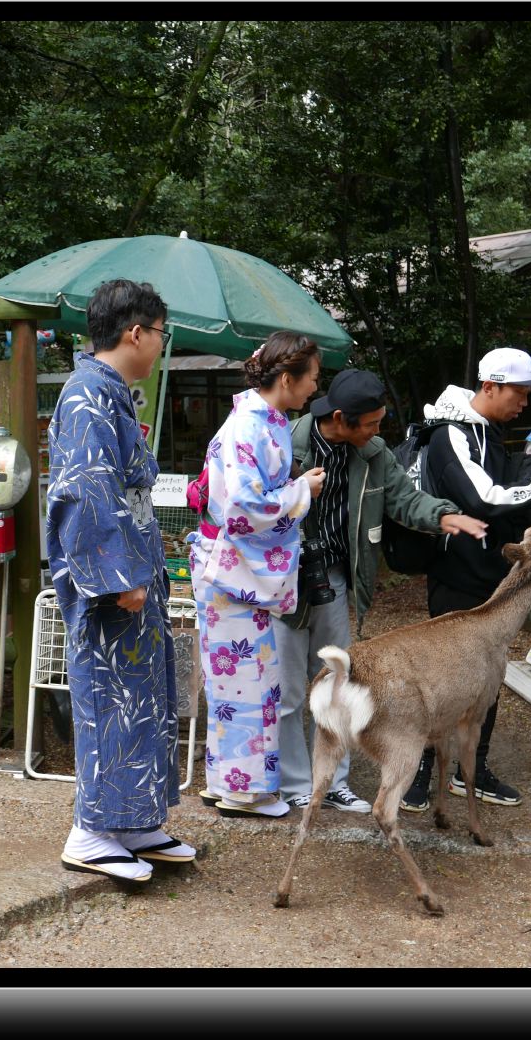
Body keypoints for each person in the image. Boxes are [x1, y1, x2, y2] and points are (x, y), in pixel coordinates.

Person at [275, 368, 488, 812]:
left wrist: (445, 516)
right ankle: (297, 783)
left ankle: (334, 782)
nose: (377, 432)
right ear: (341, 417)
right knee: (290, 688)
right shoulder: (286, 442)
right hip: (283, 579)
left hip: (334, 577)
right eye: (371, 423)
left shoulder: (372, 454)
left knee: (340, 682)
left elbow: (405, 498)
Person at [47, 279, 195, 882]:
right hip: (112, 582)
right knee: (109, 700)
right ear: (136, 331)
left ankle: (133, 821)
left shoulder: (109, 392)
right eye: (161, 334)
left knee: (142, 699)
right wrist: (116, 578)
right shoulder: (87, 394)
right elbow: (85, 490)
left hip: (134, 573)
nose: (162, 345)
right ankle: (91, 829)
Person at [401, 347, 531, 812]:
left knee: (489, 676)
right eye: (518, 392)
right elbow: (482, 499)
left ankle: (472, 768)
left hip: (493, 577)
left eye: (527, 394)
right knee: (443, 676)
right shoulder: (450, 436)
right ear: (490, 387)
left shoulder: (489, 432)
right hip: (454, 574)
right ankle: (422, 768)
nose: (523, 402)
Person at [189, 332, 326, 819]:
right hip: (234, 571)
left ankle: (229, 781)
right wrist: (300, 491)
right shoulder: (250, 426)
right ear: (286, 379)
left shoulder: (262, 420)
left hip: (232, 570)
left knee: (237, 684)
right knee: (245, 683)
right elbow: (245, 507)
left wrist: (291, 488)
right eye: (311, 378)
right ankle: (243, 791)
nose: (314, 387)